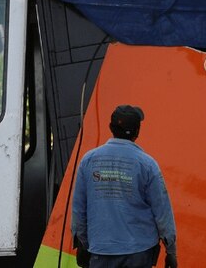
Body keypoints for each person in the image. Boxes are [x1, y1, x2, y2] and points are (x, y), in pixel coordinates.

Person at [72, 105, 177, 268]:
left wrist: (85, 244)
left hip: (101, 251)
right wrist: (171, 250)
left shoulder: (88, 161)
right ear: (137, 132)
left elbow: (79, 210)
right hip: (139, 252)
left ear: (110, 128)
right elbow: (162, 211)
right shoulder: (147, 165)